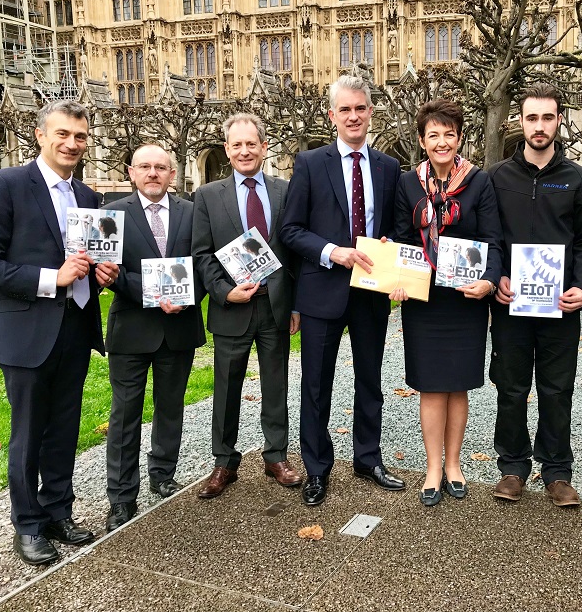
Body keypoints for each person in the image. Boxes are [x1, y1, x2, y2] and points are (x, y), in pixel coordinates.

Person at [0, 100, 119, 566]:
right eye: (63, 134)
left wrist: (98, 276)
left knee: (64, 430)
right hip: (26, 332)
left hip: (74, 328)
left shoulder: (90, 199)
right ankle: (27, 526)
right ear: (40, 135)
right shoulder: (4, 184)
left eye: (80, 136)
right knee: (28, 433)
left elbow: (84, 265)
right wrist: (54, 278)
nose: (72, 143)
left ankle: (57, 512)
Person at [280, 75, 403, 506]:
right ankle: (317, 469)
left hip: (371, 290)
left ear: (371, 112)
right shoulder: (311, 163)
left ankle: (368, 459)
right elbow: (291, 230)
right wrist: (334, 252)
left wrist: (391, 249)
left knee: (370, 380)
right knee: (316, 384)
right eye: (345, 109)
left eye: (361, 108)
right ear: (332, 115)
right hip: (321, 291)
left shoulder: (389, 167)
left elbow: (396, 228)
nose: (354, 116)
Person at [486, 83, 582, 508]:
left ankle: (556, 471)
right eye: (531, 117)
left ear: (559, 120)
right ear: (520, 121)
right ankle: (513, 467)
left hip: (561, 307)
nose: (539, 126)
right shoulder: (497, 178)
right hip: (511, 305)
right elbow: (490, 236)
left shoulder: (578, 179)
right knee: (511, 387)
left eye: (547, 117)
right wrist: (495, 276)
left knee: (557, 389)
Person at [390, 100, 503, 506]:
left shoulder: (479, 182)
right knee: (431, 386)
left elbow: (493, 238)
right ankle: (432, 467)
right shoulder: (407, 184)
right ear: (422, 140)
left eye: (449, 134)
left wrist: (489, 282)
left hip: (465, 298)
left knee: (458, 386)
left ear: (459, 138)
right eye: (433, 135)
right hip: (423, 300)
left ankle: (454, 464)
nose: (442, 142)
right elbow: (401, 237)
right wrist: (397, 279)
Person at [192, 113, 302, 497]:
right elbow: (202, 255)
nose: (244, 151)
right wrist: (224, 292)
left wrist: (296, 306)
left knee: (276, 386)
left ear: (264, 147)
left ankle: (276, 457)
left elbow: (294, 252)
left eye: (250, 144)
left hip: (275, 307)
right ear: (227, 149)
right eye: (236, 145)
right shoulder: (207, 196)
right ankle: (224, 464)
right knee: (225, 389)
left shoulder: (284, 191)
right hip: (231, 307)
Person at [102, 144, 206, 532]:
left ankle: (162, 474)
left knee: (170, 408)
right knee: (125, 415)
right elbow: (109, 272)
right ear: (131, 172)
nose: (153, 173)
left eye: (161, 167)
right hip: (132, 329)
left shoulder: (194, 213)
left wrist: (187, 296)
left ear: (173, 174)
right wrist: (152, 294)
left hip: (180, 326)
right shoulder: (111, 215)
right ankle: (121, 496)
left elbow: (204, 263)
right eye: (144, 166)